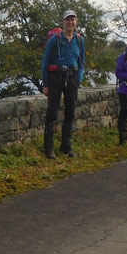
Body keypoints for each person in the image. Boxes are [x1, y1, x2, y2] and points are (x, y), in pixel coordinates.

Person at [41, 10, 85, 159]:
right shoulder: (55, 39)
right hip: (55, 77)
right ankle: (49, 148)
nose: (70, 22)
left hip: (71, 77)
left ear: (76, 22)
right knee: (52, 113)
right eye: (68, 20)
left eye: (72, 20)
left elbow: (81, 62)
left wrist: (78, 78)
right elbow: (45, 62)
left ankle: (67, 146)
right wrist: (45, 84)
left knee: (70, 113)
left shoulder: (79, 40)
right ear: (63, 22)